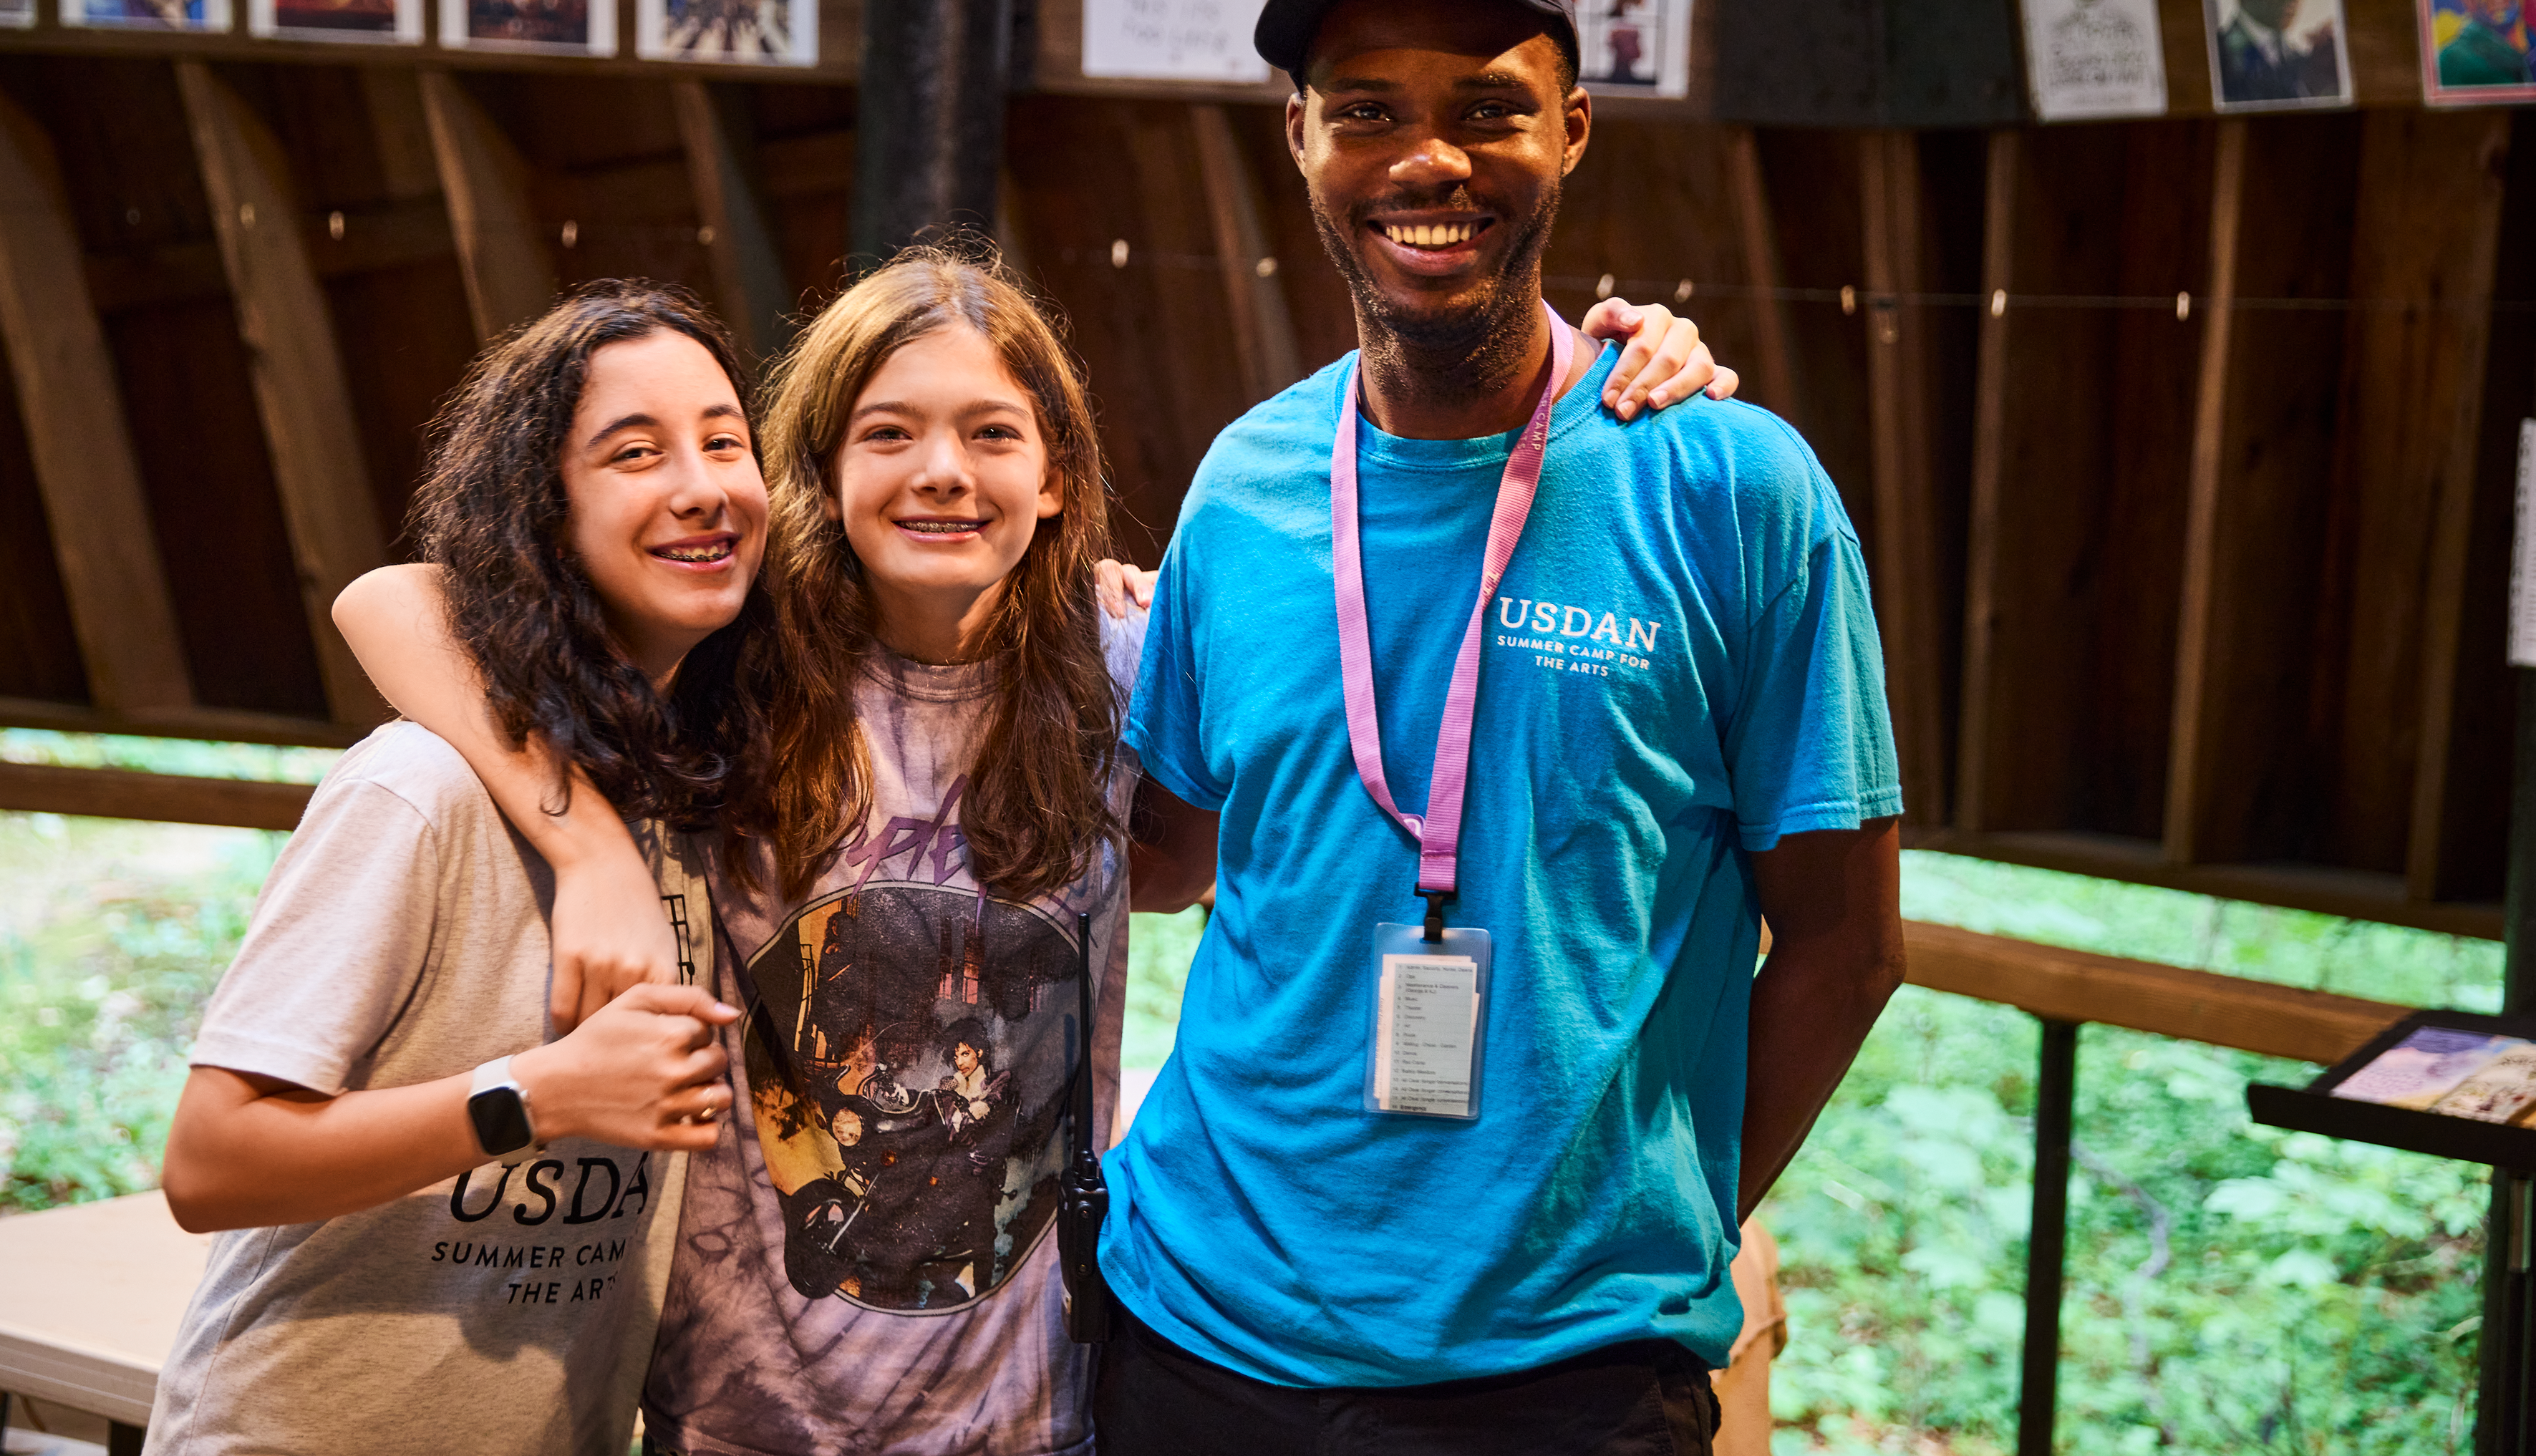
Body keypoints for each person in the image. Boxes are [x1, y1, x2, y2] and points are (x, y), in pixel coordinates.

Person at [333, 248, 1728, 1452]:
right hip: (745, 1410)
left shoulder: (1122, 653)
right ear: (819, 461)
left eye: (993, 434)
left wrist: (1597, 368)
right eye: (890, 432)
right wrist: (588, 856)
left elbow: (1227, 795)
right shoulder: (734, 653)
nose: (944, 469)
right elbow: (395, 598)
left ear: (1057, 475)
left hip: (1041, 1407)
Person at [1092, 0, 1907, 1455]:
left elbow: (1845, 942)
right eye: (1368, 111)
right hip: (1193, 1331)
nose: (1427, 160)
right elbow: (1174, 858)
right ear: (1302, 140)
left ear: (1575, 131)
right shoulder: (1248, 478)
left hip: (1564, 1379)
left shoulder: (1731, 487)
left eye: (1488, 109)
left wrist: (1641, 1217)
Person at [148, 284, 752, 1456]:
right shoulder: (418, 791)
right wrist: (539, 1093)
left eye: (724, 440)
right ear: (542, 513)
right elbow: (209, 1160)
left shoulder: (711, 791)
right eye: (635, 452)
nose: (700, 483)